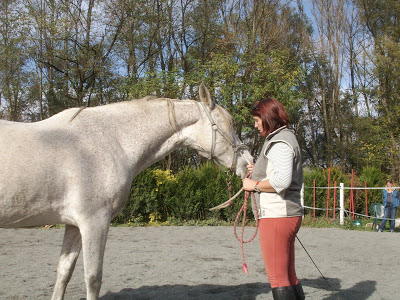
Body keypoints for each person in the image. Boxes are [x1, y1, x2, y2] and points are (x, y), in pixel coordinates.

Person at [242, 97, 304, 300]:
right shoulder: (282, 138)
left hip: (278, 215)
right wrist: (258, 170)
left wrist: (254, 185)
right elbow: (276, 172)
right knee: (289, 275)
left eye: (257, 119)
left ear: (267, 117)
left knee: (278, 278)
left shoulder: (279, 142)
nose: (255, 124)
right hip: (285, 214)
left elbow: (282, 181)